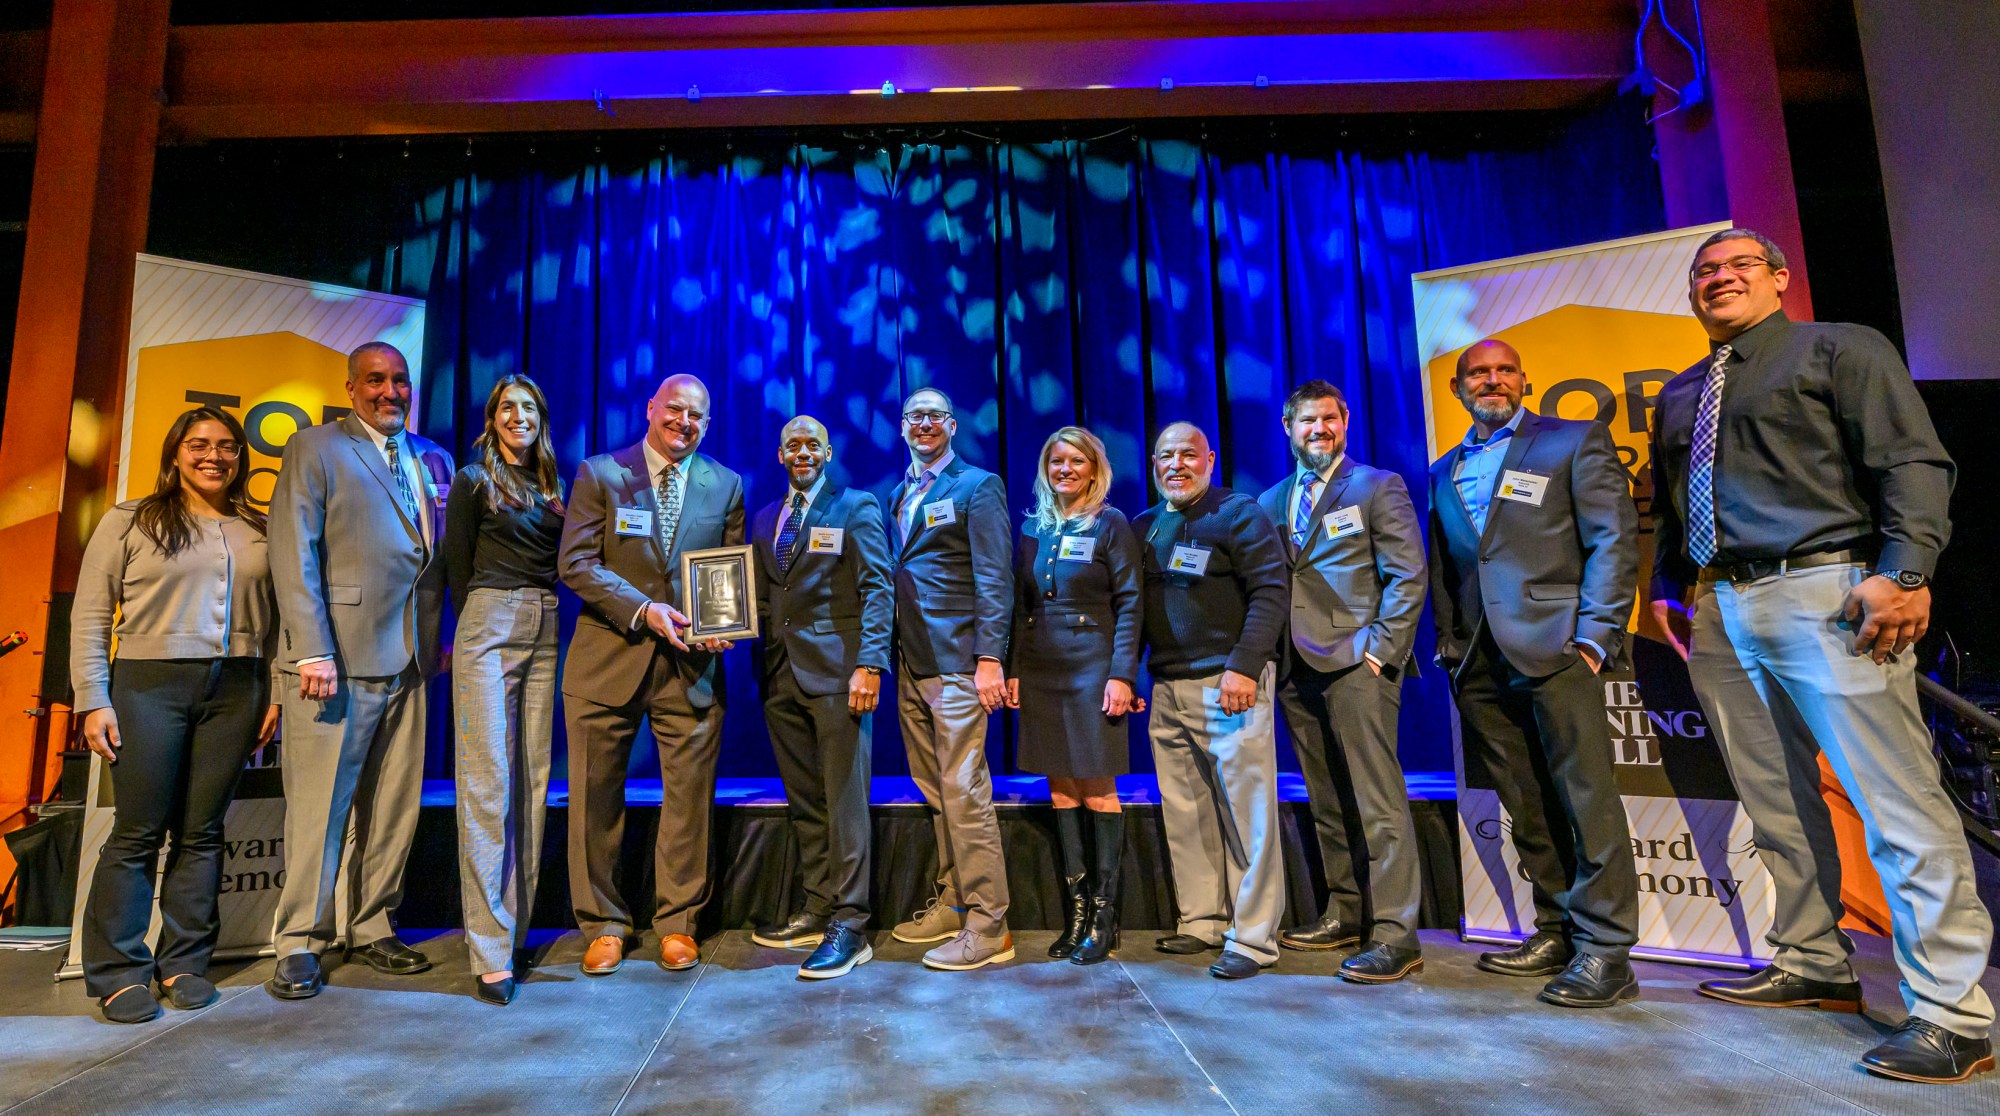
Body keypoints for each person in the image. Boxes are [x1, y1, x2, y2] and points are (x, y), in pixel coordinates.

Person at [1649, 228, 1994, 1084]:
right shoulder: (1683, 389)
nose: (1718, 279)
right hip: (1719, 606)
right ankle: (1813, 961)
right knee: (1775, 801)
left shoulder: (1838, 347)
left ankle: (1955, 1012)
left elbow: (1912, 460)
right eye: (1704, 272)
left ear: (1778, 278)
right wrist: (1668, 587)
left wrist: (1905, 569)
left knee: (1897, 800)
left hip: (1828, 591)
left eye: (1737, 267)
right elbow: (1669, 497)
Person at [1427, 338, 1641, 1009]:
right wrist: (1448, 644)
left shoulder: (1573, 441)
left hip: (1558, 644)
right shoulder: (1441, 468)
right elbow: (1449, 564)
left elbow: (1613, 535)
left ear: (1524, 380)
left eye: (1503, 371)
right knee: (1524, 800)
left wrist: (1596, 635)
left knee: (1585, 798)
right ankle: (1555, 928)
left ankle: (1607, 949)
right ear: (1459, 389)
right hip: (1479, 658)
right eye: (1477, 374)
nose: (1491, 381)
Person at [70, 407, 281, 1024]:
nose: (214, 456)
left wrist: (268, 692)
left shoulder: (257, 526)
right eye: (199, 445)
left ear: (242, 458)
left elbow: (275, 621)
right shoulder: (130, 519)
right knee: (137, 831)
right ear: (175, 452)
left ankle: (185, 961)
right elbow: (89, 614)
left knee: (204, 831)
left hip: (236, 688)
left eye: (227, 447)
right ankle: (117, 971)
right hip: (147, 685)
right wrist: (93, 697)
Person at [267, 341, 455, 1000]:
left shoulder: (434, 458)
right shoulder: (315, 448)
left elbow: (437, 563)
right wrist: (310, 647)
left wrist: (442, 641)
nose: (390, 391)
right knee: (321, 810)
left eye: (399, 380)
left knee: (394, 807)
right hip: (335, 663)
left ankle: (372, 924)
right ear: (351, 388)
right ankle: (298, 939)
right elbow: (294, 551)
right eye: (375, 380)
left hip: (410, 661)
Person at [560, 373, 744, 976]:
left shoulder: (727, 485)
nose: (684, 423)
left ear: (707, 423)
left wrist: (727, 624)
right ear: (651, 409)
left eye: (697, 416)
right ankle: (605, 924)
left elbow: (730, 579)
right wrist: (643, 610)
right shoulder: (600, 474)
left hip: (689, 668)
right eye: (675, 410)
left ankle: (678, 923)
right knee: (595, 801)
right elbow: (576, 564)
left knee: (689, 802)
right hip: (607, 659)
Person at [1257, 381, 1428, 983]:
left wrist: (1381, 652)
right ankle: (1347, 912)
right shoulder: (1272, 499)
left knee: (1378, 801)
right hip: (1296, 667)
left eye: (1328, 418)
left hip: (1358, 663)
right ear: (1288, 427)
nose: (1318, 429)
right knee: (1328, 799)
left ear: (1345, 420)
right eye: (1306, 420)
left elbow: (1408, 576)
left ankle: (1395, 933)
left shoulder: (1377, 486)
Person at [1136, 422, 1288, 980]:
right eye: (1165, 457)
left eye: (1188, 455)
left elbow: (1271, 593)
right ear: (1153, 464)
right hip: (1167, 688)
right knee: (1187, 810)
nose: (1176, 465)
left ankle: (1252, 939)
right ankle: (1202, 920)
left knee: (1248, 814)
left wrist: (1244, 666)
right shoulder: (1145, 526)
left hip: (1230, 684)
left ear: (1211, 458)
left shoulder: (1240, 512)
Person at [747, 415, 894, 980]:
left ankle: (852, 923)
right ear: (780, 455)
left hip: (840, 676)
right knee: (807, 801)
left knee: (845, 800)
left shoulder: (855, 506)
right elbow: (759, 601)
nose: (802, 452)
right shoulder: (765, 519)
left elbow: (879, 587)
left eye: (813, 443)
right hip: (780, 675)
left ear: (828, 452)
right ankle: (818, 904)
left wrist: (870, 664)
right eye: (792, 445)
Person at [441, 375, 565, 1006]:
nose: (519, 416)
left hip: (547, 622)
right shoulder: (471, 480)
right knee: (487, 781)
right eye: (508, 408)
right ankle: (488, 951)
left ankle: (511, 927)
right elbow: (455, 568)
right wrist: (469, 631)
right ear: (491, 419)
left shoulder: (555, 485)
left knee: (532, 780)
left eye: (529, 408)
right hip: (487, 621)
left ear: (541, 418)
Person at [884, 387, 1017, 972]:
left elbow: (996, 578)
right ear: (903, 426)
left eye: (935, 415)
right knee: (937, 791)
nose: (924, 424)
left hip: (960, 663)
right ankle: (954, 900)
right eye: (915, 416)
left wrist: (991, 658)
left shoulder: (978, 486)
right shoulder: (897, 493)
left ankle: (990, 925)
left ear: (953, 425)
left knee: (965, 792)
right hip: (911, 663)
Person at [1004, 427, 1143, 966]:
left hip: (1093, 666)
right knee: (1061, 790)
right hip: (1041, 666)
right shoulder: (1034, 527)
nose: (1064, 469)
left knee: (1098, 788)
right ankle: (1077, 916)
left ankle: (1105, 921)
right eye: (1056, 460)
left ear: (1094, 469)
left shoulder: (1112, 524)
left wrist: (1122, 676)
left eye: (1075, 461)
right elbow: (1020, 606)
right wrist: (1015, 669)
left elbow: (1131, 603)